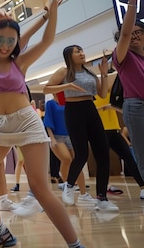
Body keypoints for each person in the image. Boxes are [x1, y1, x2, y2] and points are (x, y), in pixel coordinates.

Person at [0, 0, 84, 248]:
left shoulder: (19, 62)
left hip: (26, 122)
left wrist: (52, 13)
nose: (6, 45)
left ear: (16, 43)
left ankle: (75, 244)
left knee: (40, 188)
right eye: (1, 39)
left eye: (11, 41)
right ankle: (0, 232)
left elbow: (47, 40)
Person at [44, 45, 116, 210]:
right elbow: (46, 88)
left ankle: (102, 198)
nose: (82, 53)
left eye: (82, 50)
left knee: (103, 152)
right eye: (77, 51)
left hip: (90, 109)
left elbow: (102, 94)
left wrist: (104, 74)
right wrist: (66, 86)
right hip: (73, 111)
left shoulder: (90, 73)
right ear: (69, 56)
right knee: (81, 153)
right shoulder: (64, 72)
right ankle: (69, 186)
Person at [112, 0, 144, 199]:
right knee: (142, 151)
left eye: (138, 32)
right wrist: (132, 2)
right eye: (129, 33)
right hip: (136, 106)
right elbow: (124, 35)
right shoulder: (122, 58)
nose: (134, 36)